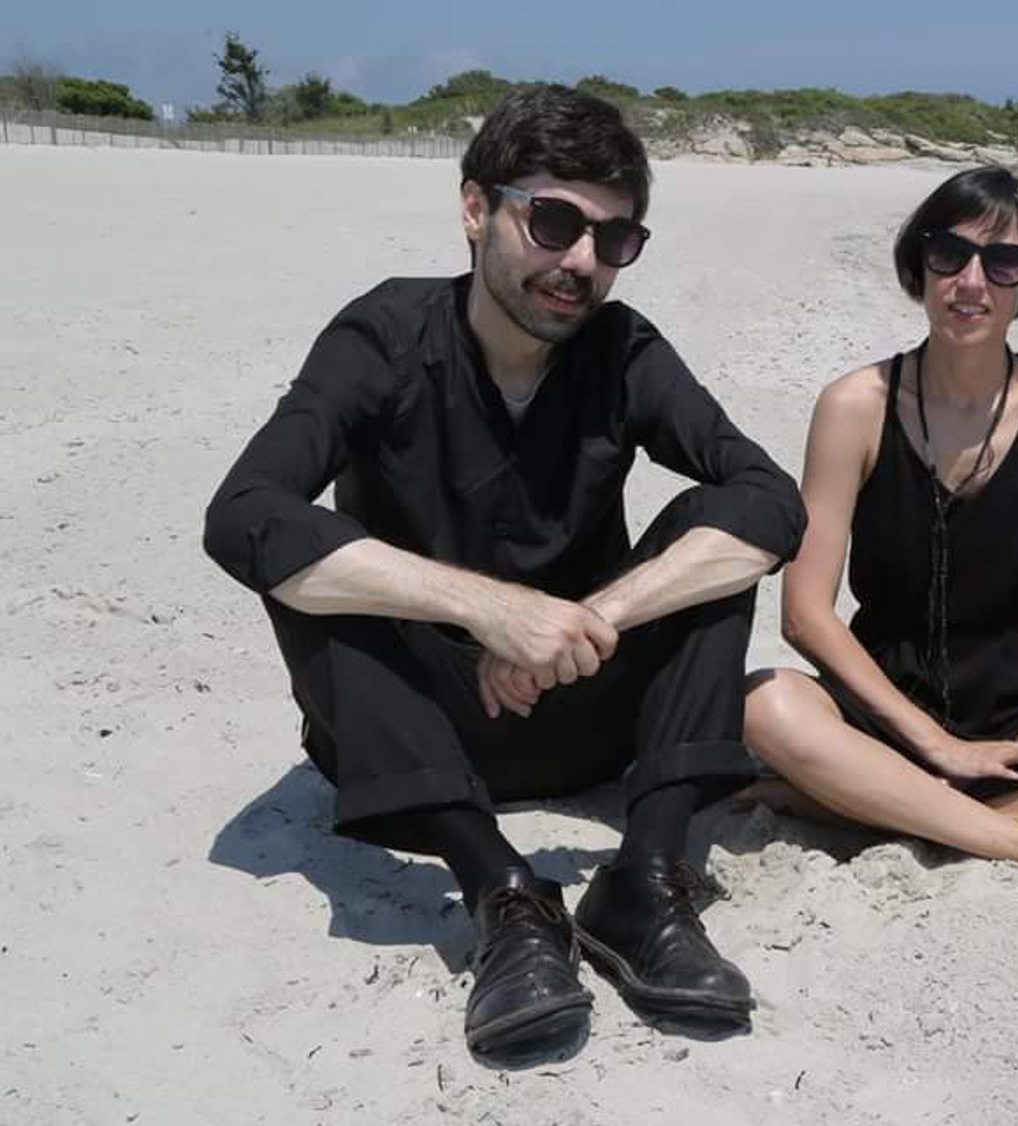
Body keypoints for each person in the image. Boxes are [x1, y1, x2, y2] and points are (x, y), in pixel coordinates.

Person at [203, 85, 805, 1061]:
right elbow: (241, 515)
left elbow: (771, 500)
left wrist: (579, 618)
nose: (579, 261)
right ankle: (504, 894)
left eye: (612, 240)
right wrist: (486, 609)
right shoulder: (384, 337)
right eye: (554, 220)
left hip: (580, 705)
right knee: (310, 554)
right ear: (476, 209)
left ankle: (643, 883)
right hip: (415, 731)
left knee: (713, 537)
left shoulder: (622, 351)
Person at [741, 167, 1018, 903]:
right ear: (919, 265)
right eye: (948, 255)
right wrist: (934, 745)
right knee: (764, 702)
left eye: (1003, 262)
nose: (971, 282)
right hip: (886, 696)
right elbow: (806, 613)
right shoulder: (855, 405)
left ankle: (861, 804)